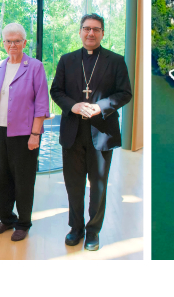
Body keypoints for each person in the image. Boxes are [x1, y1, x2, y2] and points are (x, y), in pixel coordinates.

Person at [49, 13, 131, 251]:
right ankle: (76, 228)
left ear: (103, 33)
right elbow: (56, 91)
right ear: (80, 32)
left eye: (96, 29)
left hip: (102, 132)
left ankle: (93, 231)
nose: (91, 33)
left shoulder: (115, 61)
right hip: (72, 132)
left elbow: (125, 93)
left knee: (98, 186)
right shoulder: (67, 60)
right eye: (86, 29)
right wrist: (73, 105)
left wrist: (99, 106)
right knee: (73, 185)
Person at [0, 23, 49, 242]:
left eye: (17, 41)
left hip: (24, 133)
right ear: (3, 43)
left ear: (24, 42)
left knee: (23, 179)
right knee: (1, 178)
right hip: (0, 131)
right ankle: (6, 218)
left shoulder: (35, 67)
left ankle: (23, 223)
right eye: (8, 41)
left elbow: (42, 103)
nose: (12, 45)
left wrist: (35, 134)